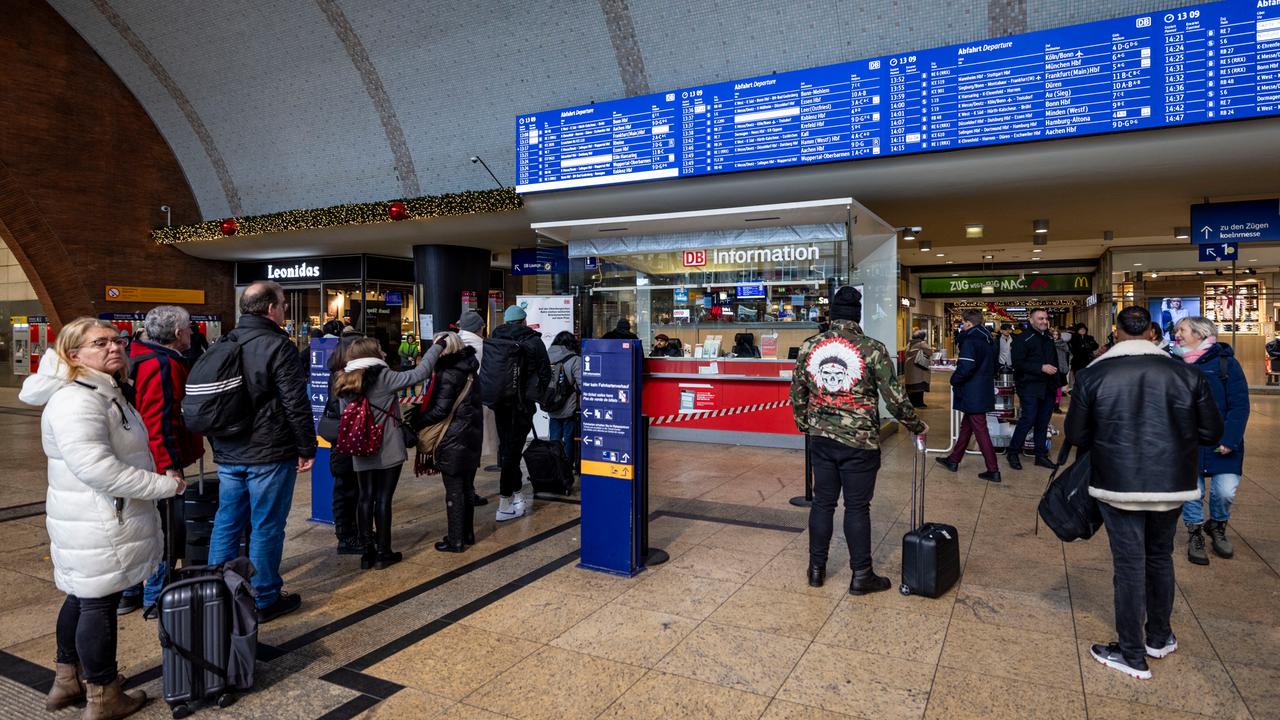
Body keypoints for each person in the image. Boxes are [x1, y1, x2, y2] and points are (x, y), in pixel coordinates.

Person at [20, 318, 185, 718]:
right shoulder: (77, 400)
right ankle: (103, 694)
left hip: (96, 517)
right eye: (100, 343)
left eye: (117, 340)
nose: (114, 347)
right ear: (74, 355)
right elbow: (97, 468)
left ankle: (68, 681)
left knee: (83, 595)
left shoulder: (102, 390)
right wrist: (164, 486)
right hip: (100, 519)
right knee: (97, 602)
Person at [1066, 305, 1222, 680]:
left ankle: (1132, 653)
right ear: (1152, 333)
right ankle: (1159, 636)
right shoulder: (1187, 374)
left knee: (1129, 564)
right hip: (1171, 483)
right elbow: (1211, 432)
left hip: (1117, 483)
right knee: (1160, 556)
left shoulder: (1094, 375)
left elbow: (1076, 435)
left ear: (1117, 332)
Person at [791, 286, 928, 595]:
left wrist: (806, 425)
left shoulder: (810, 346)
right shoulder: (873, 348)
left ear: (833, 315)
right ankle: (861, 575)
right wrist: (916, 425)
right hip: (860, 442)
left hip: (821, 440)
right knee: (856, 507)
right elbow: (895, 398)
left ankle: (816, 570)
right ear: (857, 315)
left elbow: (797, 394)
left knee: (823, 504)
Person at [206, 281, 317, 623]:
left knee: (226, 522)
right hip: (268, 453)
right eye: (283, 304)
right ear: (271, 309)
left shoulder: (223, 343)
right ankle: (264, 596)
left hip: (229, 452)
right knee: (266, 525)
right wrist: (305, 446)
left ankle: (215, 592)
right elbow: (295, 402)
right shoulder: (276, 345)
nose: (284, 309)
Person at [117, 306, 205, 616]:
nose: (193, 334)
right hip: (155, 460)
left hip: (134, 456)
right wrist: (169, 467)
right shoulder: (161, 364)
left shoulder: (136, 354)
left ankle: (129, 591)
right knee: (164, 528)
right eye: (190, 329)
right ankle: (155, 595)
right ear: (178, 333)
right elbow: (160, 420)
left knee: (138, 523)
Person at [336, 336, 446, 568]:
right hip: (387, 448)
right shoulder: (383, 377)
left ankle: (367, 553)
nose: (384, 353)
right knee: (383, 498)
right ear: (372, 354)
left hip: (359, 448)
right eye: (380, 349)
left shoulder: (343, 380)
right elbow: (420, 373)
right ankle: (384, 552)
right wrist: (437, 346)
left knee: (364, 497)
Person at [1174, 316, 1250, 566]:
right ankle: (1195, 531)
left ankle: (1217, 525)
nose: (1178, 334)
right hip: (1187, 441)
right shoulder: (1173, 363)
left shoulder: (1226, 363)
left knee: (1225, 491)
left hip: (1223, 442)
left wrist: (1230, 439)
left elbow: (1239, 406)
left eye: (1182, 330)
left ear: (1200, 333)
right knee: (1192, 492)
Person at [413, 332, 483, 552]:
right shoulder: (471, 368)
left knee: (454, 490)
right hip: (471, 435)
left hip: (452, 437)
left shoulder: (447, 373)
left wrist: (418, 420)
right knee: (467, 487)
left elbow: (441, 409)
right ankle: (467, 533)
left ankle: (456, 540)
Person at [485, 305, 552, 522]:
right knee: (511, 453)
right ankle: (505, 502)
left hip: (500, 403)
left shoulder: (495, 338)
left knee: (507, 448)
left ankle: (516, 493)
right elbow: (545, 373)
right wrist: (539, 396)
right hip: (522, 406)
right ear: (523, 321)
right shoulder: (533, 341)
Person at [935, 310, 1000, 482]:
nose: (962, 327)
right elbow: (996, 365)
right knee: (967, 426)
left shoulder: (970, 340)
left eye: (963, 324)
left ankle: (993, 469)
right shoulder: (989, 339)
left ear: (969, 323)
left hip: (973, 390)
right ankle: (953, 460)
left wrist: (954, 379)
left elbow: (966, 367)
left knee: (980, 429)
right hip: (983, 387)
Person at [323, 326, 365, 555]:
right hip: (346, 438)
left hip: (338, 438)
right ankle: (347, 536)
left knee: (346, 488)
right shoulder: (346, 378)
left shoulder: (335, 372)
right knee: (347, 489)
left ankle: (350, 533)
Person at [1005, 308, 1062, 470]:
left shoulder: (1049, 338)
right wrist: (1041, 367)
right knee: (1028, 419)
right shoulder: (1022, 339)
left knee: (1043, 422)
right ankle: (1013, 453)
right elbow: (1017, 363)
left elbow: (1055, 362)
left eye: (1045, 318)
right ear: (1031, 320)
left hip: (1048, 386)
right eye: (1040, 318)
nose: (1044, 321)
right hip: (1029, 386)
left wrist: (1058, 382)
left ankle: (1040, 455)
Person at [457, 311, 496, 502]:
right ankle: (468, 492)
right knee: (472, 449)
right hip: (475, 403)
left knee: (458, 449)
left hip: (452, 405)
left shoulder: (450, 344)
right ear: (480, 327)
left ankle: (460, 492)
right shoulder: (483, 346)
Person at [545, 331, 582, 466]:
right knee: (568, 439)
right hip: (569, 406)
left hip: (551, 404)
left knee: (554, 438)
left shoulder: (546, 356)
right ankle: (566, 469)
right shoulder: (575, 360)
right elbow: (582, 383)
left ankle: (554, 467)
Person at [904, 329, 933, 408]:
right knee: (919, 386)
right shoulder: (921, 343)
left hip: (910, 368)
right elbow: (929, 352)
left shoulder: (909, 344)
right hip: (919, 368)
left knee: (911, 387)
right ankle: (919, 403)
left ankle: (912, 402)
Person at [1051, 327, 1071, 411]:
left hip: (1060, 367)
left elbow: (1067, 356)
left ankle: (1056, 404)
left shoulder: (1063, 344)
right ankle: (1051, 404)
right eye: (1054, 334)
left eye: (1057, 334)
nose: (1055, 336)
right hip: (1051, 367)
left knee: (1058, 387)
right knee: (1052, 387)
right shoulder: (1048, 343)